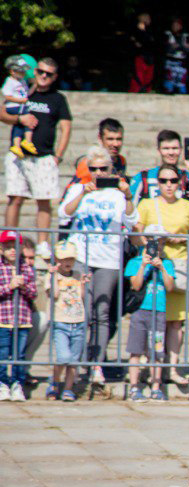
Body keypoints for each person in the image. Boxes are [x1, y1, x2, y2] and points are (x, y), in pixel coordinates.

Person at [60, 155, 130, 390]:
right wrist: (83, 194)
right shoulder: (78, 188)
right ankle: (78, 362)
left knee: (101, 312)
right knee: (83, 310)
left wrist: (128, 195)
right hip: (81, 256)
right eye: (94, 168)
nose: (99, 172)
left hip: (108, 259)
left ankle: (96, 364)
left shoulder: (118, 193)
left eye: (104, 168)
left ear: (111, 169)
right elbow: (64, 213)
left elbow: (132, 219)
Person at [134, 168, 189, 388]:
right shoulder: (147, 204)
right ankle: (150, 367)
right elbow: (136, 233)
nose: (169, 185)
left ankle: (171, 368)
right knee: (149, 318)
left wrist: (175, 239)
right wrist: (153, 244)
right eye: (163, 180)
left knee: (175, 322)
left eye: (173, 180)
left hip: (177, 266)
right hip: (152, 267)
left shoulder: (187, 206)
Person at [5, 59, 69, 235]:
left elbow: (66, 127)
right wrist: (20, 119)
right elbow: (3, 113)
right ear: (35, 71)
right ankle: (8, 240)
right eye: (40, 71)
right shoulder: (23, 91)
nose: (43, 76)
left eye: (48, 74)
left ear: (54, 77)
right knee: (15, 198)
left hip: (43, 156)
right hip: (19, 154)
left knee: (44, 200)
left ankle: (42, 244)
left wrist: (59, 155)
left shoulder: (58, 99)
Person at [122, 229, 176, 400]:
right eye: (153, 241)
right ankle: (134, 387)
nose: (157, 245)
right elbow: (135, 285)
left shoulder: (167, 263)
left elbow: (170, 287)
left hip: (158, 312)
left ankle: (155, 386)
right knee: (135, 350)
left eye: (160, 242)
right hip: (140, 311)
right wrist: (144, 265)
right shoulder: (134, 262)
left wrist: (161, 268)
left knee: (157, 351)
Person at [39, 241, 85, 400]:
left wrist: (83, 284)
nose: (68, 263)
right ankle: (55, 383)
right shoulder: (52, 276)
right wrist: (52, 276)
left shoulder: (77, 275)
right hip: (61, 321)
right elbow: (55, 295)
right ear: (57, 260)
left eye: (71, 259)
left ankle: (68, 388)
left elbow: (81, 297)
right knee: (62, 357)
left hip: (78, 321)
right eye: (64, 259)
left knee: (73, 360)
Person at [0, 231, 29, 399]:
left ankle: (17, 384)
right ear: (1, 249)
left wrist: (24, 287)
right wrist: (9, 286)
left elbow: (33, 293)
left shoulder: (26, 268)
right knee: (2, 352)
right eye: (8, 247)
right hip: (3, 319)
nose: (12, 250)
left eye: (15, 247)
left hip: (22, 319)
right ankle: (3, 383)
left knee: (20, 354)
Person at [160, 17, 189, 95]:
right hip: (170, 62)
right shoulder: (167, 34)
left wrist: (178, 46)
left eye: (177, 25)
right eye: (174, 25)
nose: (175, 26)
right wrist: (180, 47)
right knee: (169, 84)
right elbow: (166, 49)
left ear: (181, 26)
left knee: (181, 86)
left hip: (182, 63)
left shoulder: (186, 36)